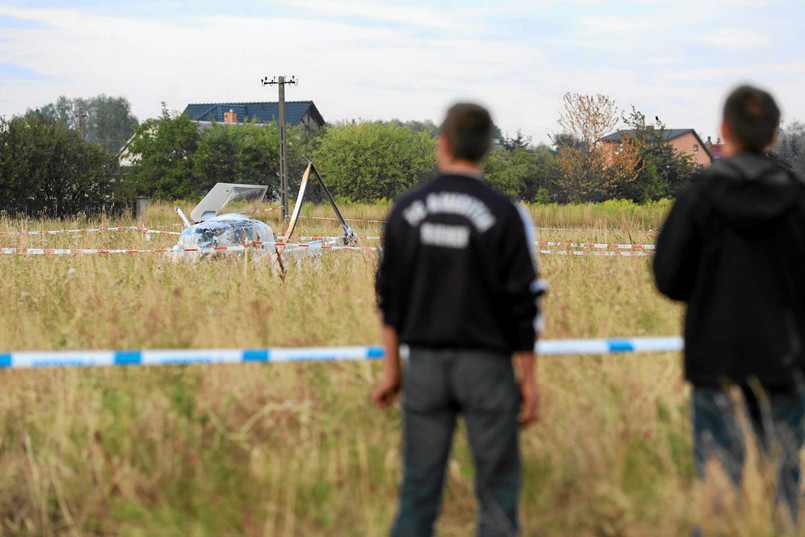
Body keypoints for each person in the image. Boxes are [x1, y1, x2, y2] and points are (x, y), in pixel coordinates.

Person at [372, 102, 545, 537]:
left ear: (443, 144)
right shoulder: (506, 213)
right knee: (498, 496)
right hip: (488, 368)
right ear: (487, 148)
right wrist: (528, 379)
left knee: (418, 491)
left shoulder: (406, 210)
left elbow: (389, 297)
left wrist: (392, 369)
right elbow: (524, 303)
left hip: (425, 367)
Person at [653, 85, 805, 526]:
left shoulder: (699, 195)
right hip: (784, 362)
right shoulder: (798, 198)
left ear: (723, 130)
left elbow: (668, 277)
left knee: (718, 488)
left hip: (715, 362)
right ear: (774, 135)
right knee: (783, 482)